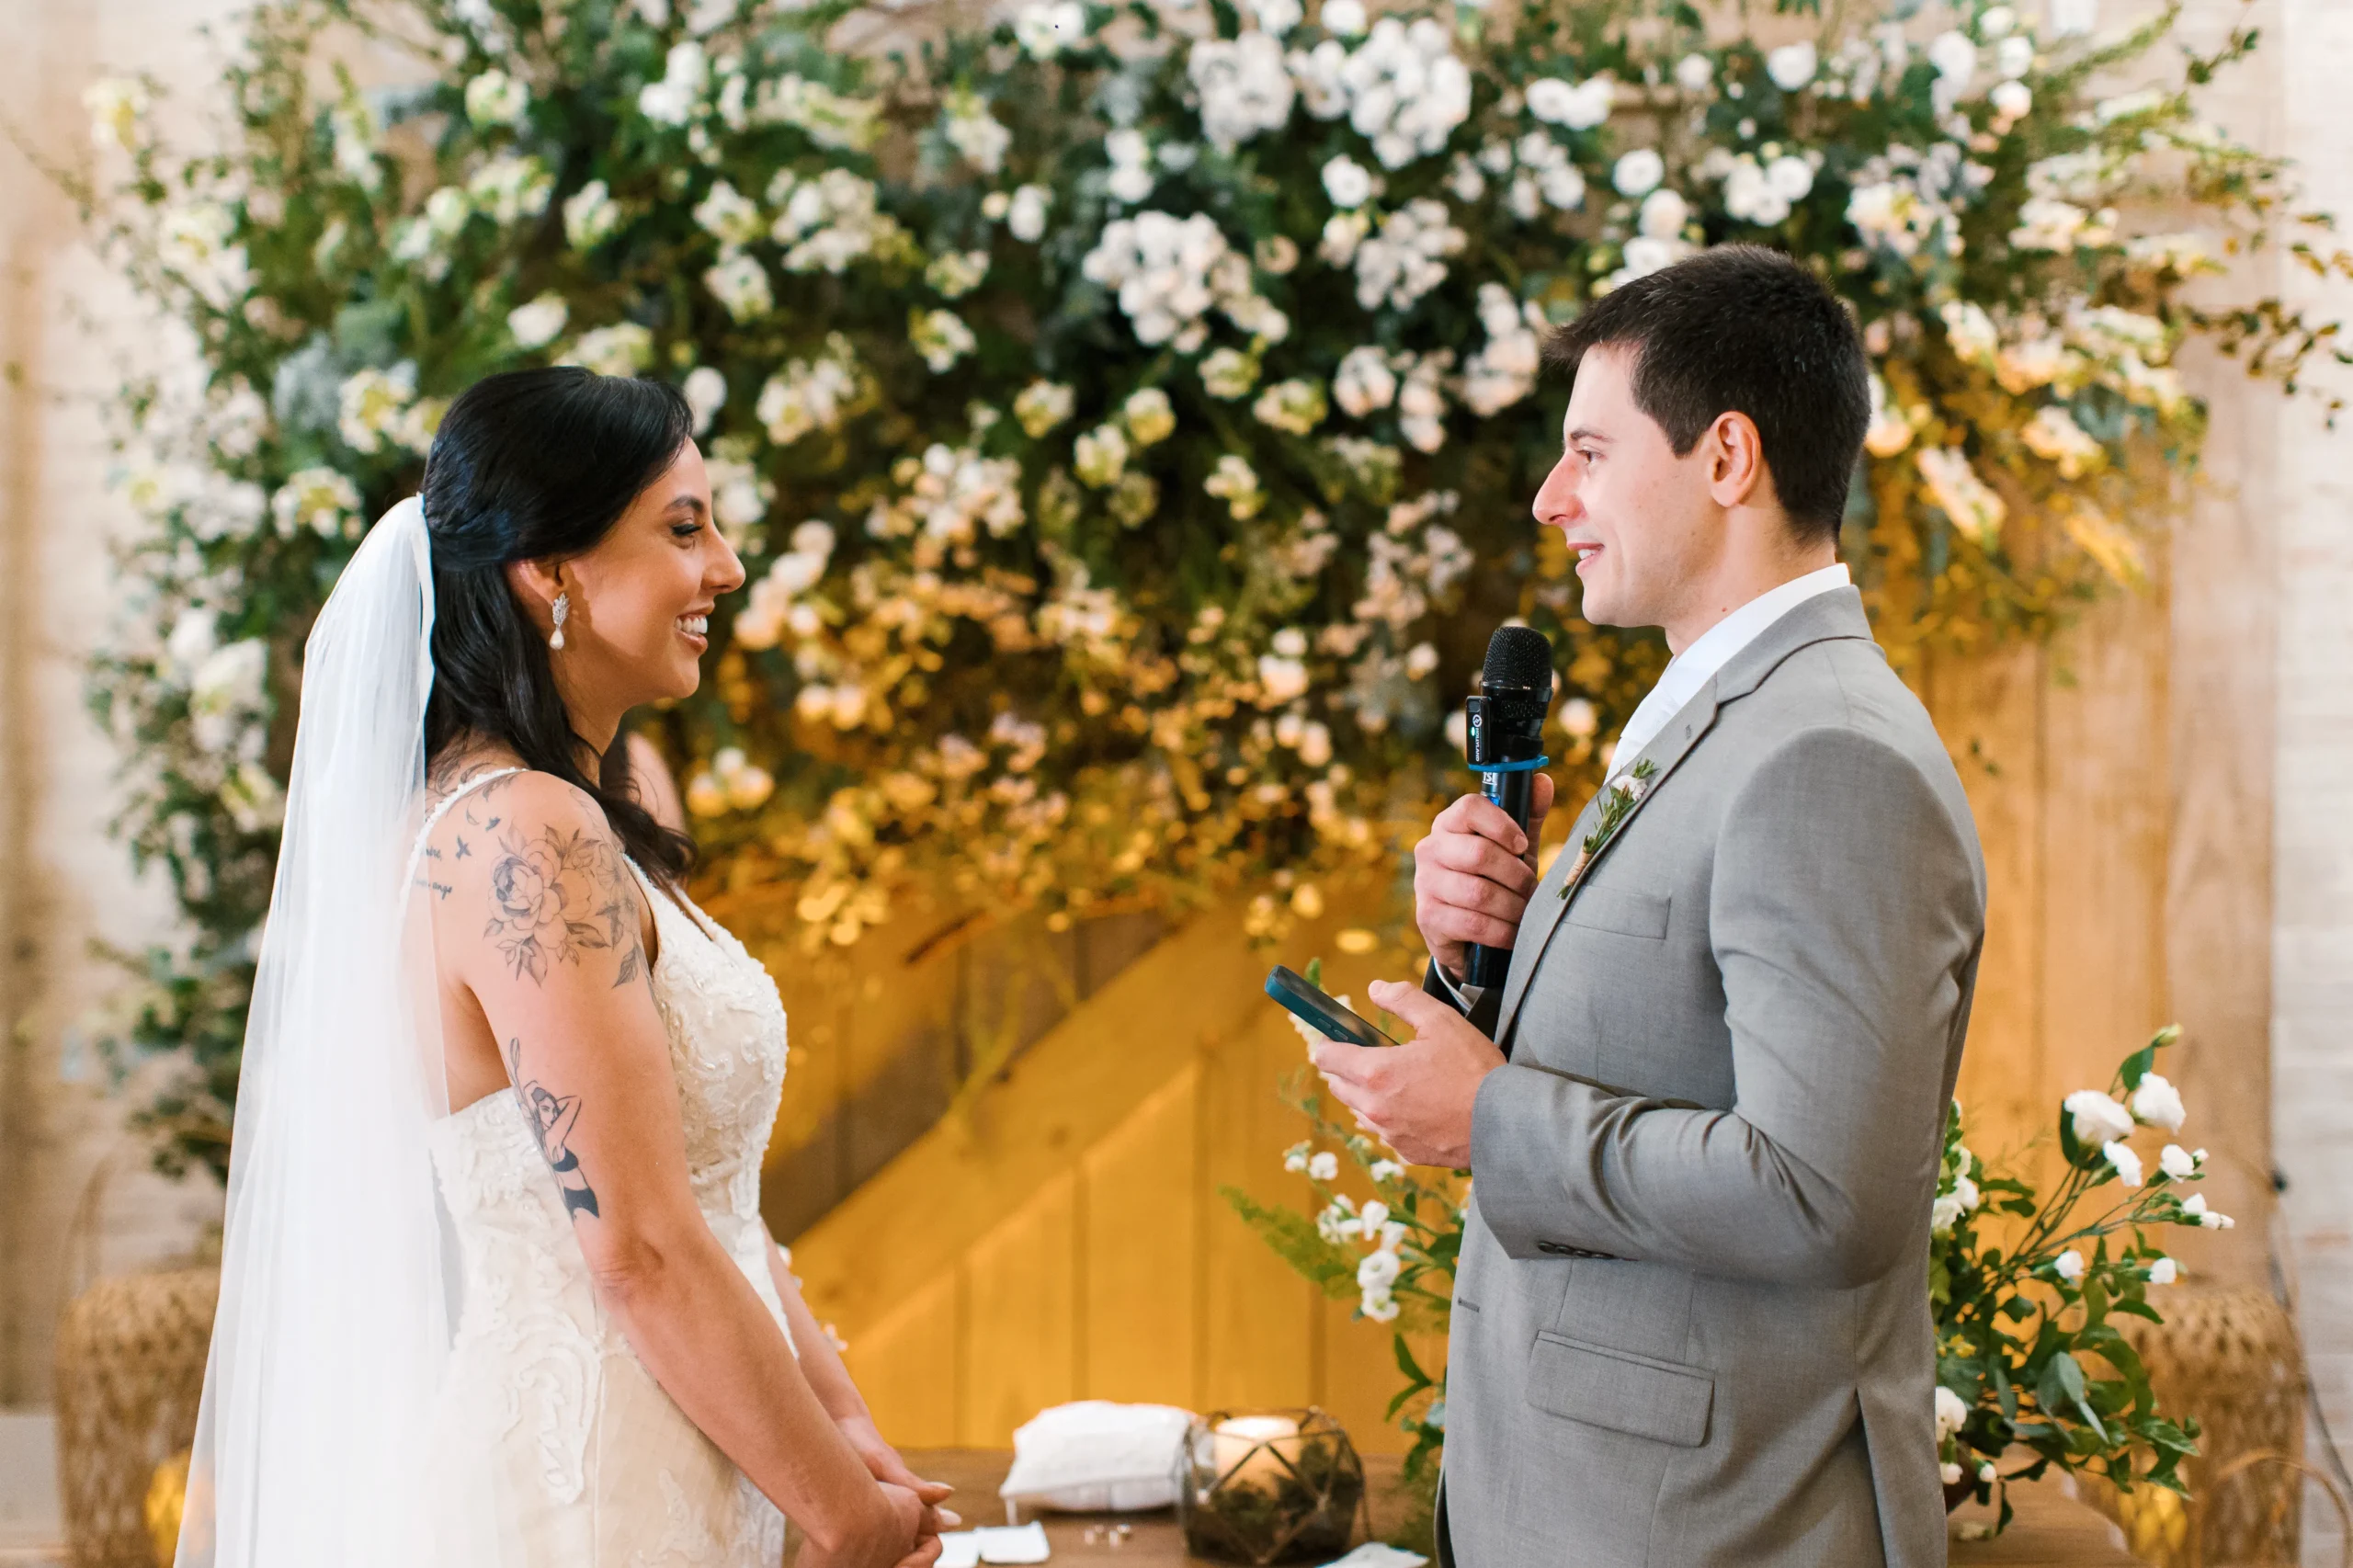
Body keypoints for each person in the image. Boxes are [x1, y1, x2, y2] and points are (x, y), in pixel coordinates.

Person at [180, 368, 955, 1567]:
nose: (727, 568)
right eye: (684, 528)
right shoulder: (518, 835)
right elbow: (636, 1246)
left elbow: (707, 1204)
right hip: (592, 1498)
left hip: (716, 1445)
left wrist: (840, 1423)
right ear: (548, 568)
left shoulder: (600, 804)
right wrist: (847, 1520)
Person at [1305, 247, 1986, 1567]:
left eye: (1590, 453)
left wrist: (1488, 1115)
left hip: (1712, 1523)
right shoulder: (1715, 718)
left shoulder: (1826, 752)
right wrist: (1475, 963)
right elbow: (1649, 1042)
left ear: (1727, 458)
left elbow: (1824, 1192)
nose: (1554, 499)